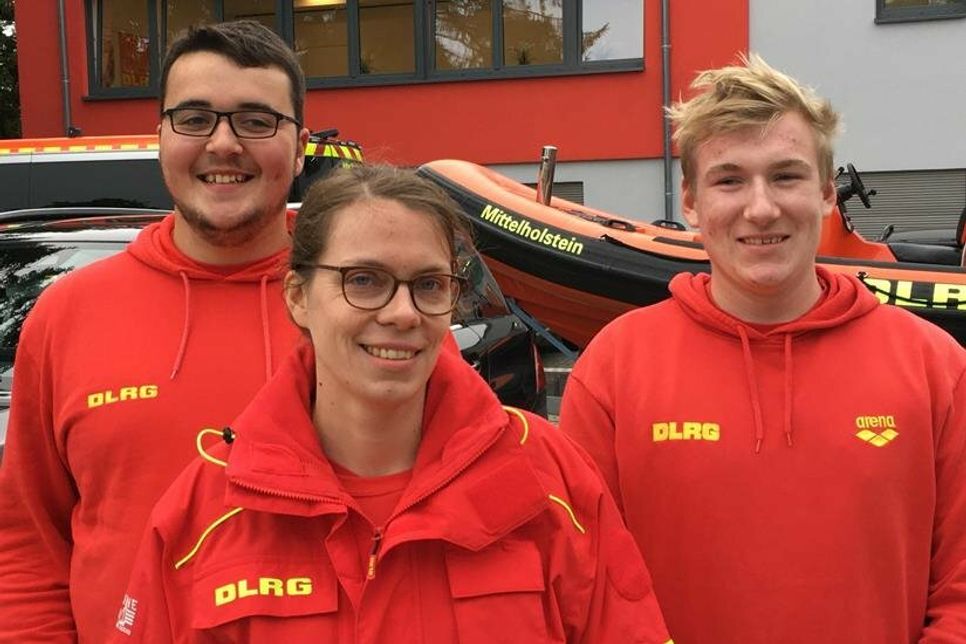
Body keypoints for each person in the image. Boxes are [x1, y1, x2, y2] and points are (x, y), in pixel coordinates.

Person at [109, 165, 672, 643]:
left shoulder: (549, 480)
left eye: (428, 285)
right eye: (364, 279)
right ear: (299, 298)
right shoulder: (204, 515)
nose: (403, 313)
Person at [559, 54, 966, 643]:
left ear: (827, 192)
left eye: (786, 176)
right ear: (692, 202)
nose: (760, 208)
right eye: (729, 180)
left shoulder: (934, 367)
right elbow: (583, 579)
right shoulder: (615, 368)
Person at [0, 21, 310, 642]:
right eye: (194, 118)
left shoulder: (372, 307)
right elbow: (30, 547)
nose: (223, 144)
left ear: (300, 147)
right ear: (162, 137)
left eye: (256, 120)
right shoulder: (67, 314)